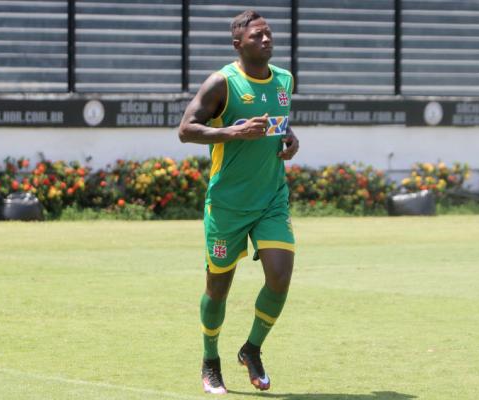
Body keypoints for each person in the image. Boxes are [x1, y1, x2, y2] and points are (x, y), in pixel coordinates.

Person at [178, 10, 299, 395]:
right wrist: (233, 132)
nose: (266, 39)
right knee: (218, 288)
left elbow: (277, 121)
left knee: (280, 277)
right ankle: (210, 360)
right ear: (238, 44)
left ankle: (251, 349)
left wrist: (290, 138)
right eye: (257, 35)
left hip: (271, 199)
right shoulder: (222, 83)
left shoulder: (284, 80)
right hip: (227, 205)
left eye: (268, 34)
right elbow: (186, 130)